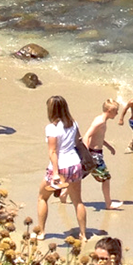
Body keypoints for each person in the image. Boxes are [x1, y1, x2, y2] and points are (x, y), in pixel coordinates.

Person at [35, 94, 88, 241]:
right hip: (75, 164)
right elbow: (78, 141)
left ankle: (41, 232)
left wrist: (56, 173)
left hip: (59, 167)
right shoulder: (74, 123)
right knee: (78, 201)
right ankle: (83, 234)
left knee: (42, 198)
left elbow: (53, 152)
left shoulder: (52, 128)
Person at [81, 97, 122, 209]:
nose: (117, 113)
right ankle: (108, 204)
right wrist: (86, 155)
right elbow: (87, 136)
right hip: (94, 155)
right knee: (106, 178)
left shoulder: (100, 120)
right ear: (109, 111)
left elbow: (98, 137)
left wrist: (109, 147)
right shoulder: (100, 122)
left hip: (95, 152)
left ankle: (64, 195)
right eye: (116, 111)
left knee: (78, 176)